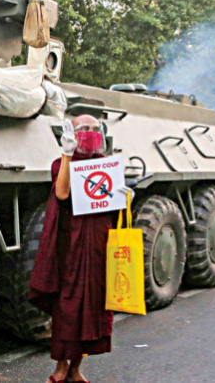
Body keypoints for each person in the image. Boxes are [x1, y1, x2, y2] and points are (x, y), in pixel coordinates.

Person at [28, 114, 133, 383]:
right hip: (70, 247)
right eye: (84, 128)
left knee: (93, 307)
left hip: (99, 246)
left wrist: (124, 197)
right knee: (68, 307)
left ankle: (75, 369)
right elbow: (62, 193)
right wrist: (67, 153)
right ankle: (60, 368)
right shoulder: (61, 164)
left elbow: (111, 205)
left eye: (96, 129)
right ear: (72, 134)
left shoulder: (104, 166)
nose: (91, 132)